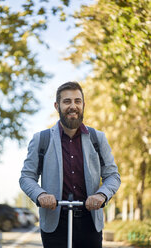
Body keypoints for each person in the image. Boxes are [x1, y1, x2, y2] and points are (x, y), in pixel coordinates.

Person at [19, 81, 121, 248]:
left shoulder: (98, 138)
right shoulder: (41, 139)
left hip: (91, 223)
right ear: (57, 106)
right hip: (54, 223)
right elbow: (26, 177)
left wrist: (101, 195)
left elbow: (113, 176)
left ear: (83, 105)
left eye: (77, 101)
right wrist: (40, 195)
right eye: (67, 101)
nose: (73, 106)